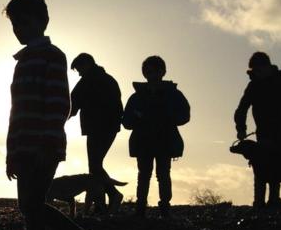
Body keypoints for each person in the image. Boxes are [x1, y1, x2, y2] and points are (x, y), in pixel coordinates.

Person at [0, 0, 103, 230]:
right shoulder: (22, 62)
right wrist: (11, 153)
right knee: (29, 207)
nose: (18, 29)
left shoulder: (53, 56)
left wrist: (45, 144)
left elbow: (59, 104)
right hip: (23, 147)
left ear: (42, 21)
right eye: (14, 24)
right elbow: (16, 112)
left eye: (24, 22)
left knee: (32, 205)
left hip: (44, 146)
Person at [234, 51, 281, 207]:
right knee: (260, 164)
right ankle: (259, 201)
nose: (256, 73)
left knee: (278, 164)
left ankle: (273, 199)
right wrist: (241, 128)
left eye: (258, 70)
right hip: (264, 132)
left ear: (266, 66)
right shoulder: (253, 85)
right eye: (254, 71)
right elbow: (242, 108)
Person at [121, 56, 190, 218]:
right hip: (144, 141)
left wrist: (167, 117)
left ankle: (164, 209)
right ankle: (140, 209)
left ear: (162, 72)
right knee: (144, 175)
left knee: (163, 174)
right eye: (148, 71)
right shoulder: (137, 96)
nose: (150, 75)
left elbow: (184, 116)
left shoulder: (173, 95)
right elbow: (126, 121)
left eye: (154, 71)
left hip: (164, 140)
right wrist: (138, 118)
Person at [69, 53, 124, 212]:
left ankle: (111, 196)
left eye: (79, 69)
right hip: (108, 128)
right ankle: (102, 202)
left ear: (87, 64)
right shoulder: (109, 80)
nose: (79, 73)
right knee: (95, 165)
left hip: (98, 128)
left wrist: (59, 118)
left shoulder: (88, 81)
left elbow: (73, 103)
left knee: (94, 166)